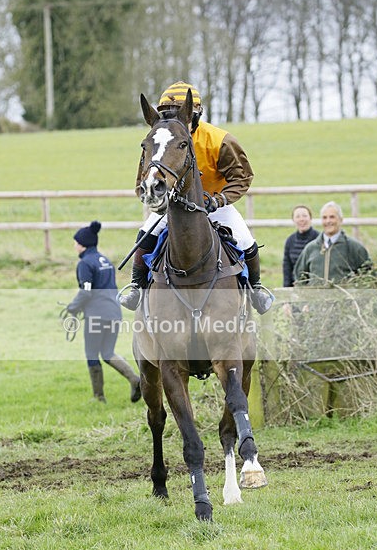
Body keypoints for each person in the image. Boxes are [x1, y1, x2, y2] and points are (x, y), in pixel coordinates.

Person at [119, 81, 273, 314]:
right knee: (144, 234)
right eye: (167, 115)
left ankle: (256, 290)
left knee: (246, 240)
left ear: (195, 114)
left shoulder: (220, 140)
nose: (174, 121)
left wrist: (219, 200)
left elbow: (242, 177)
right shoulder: (159, 140)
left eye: (180, 115)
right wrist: (152, 197)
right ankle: (136, 287)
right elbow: (142, 178)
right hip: (174, 205)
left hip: (215, 205)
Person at [65, 220, 141, 404]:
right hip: (114, 312)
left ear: (82, 244)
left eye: (76, 242)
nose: (74, 245)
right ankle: (135, 379)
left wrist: (72, 308)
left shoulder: (85, 263)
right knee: (107, 352)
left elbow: (86, 291)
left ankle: (99, 398)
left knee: (92, 354)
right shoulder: (104, 260)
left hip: (96, 316)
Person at [294, 201, 372, 285]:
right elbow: (299, 278)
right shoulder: (311, 248)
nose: (328, 221)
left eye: (332, 217)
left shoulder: (354, 248)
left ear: (340, 220)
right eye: (324, 218)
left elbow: (368, 276)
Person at [282, 205, 319, 287]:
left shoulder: (318, 239)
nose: (301, 219)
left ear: (310, 218)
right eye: (298, 216)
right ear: (293, 220)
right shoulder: (290, 241)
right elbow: (287, 267)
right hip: (295, 285)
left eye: (305, 216)